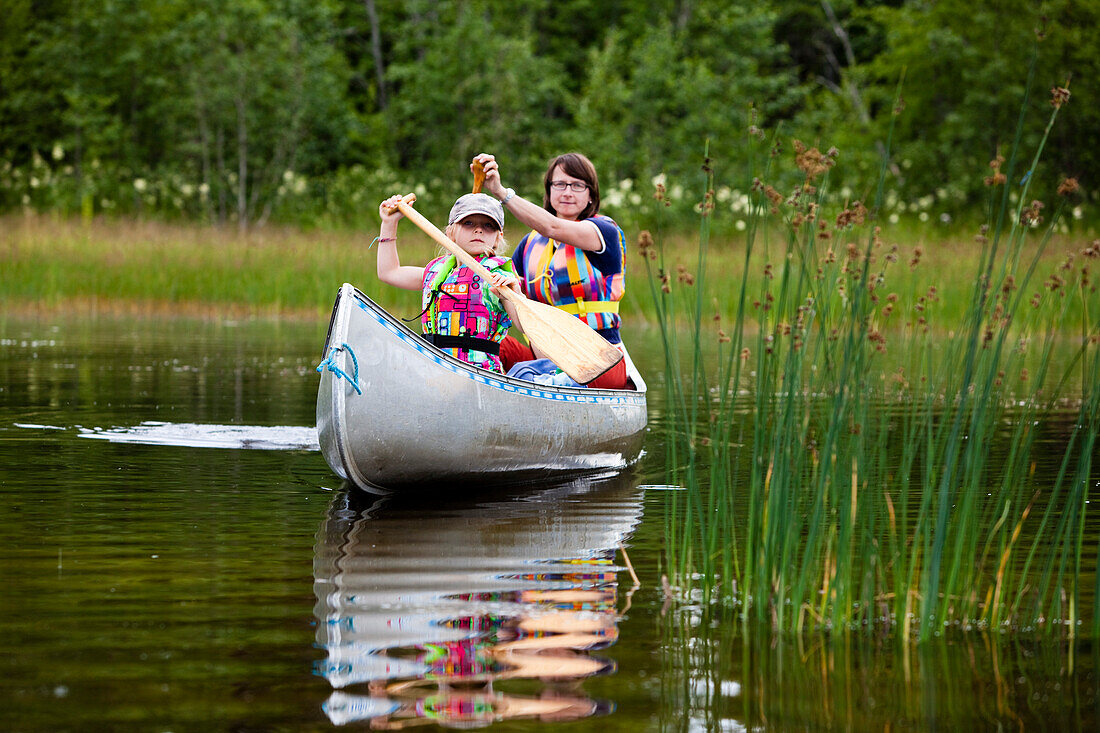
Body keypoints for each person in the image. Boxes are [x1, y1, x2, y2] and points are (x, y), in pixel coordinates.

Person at [471, 152, 630, 390]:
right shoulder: (529, 245)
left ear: (590, 195)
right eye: (560, 184)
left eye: (577, 185)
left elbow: (551, 226)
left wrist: (500, 192)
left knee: (571, 373)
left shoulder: (604, 231)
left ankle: (538, 382)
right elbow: (493, 278)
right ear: (549, 190)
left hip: (599, 362)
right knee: (482, 344)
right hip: (545, 359)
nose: (567, 192)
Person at [377, 192, 520, 374]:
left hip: (479, 375)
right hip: (434, 370)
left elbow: (523, 324)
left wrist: (515, 296)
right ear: (450, 233)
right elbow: (388, 272)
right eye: (468, 223)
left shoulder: (498, 276)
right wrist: (389, 224)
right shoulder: (437, 272)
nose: (478, 230)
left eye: (488, 225)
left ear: (498, 237)